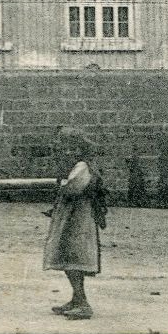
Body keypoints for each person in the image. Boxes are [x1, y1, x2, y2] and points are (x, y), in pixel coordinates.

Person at [43, 127, 108, 320]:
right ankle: (75, 298)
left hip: (78, 217)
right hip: (70, 215)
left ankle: (82, 303)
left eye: (65, 146)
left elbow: (73, 189)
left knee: (73, 256)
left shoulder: (82, 166)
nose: (62, 150)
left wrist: (60, 184)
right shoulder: (76, 165)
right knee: (66, 255)